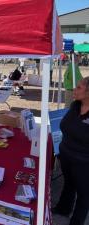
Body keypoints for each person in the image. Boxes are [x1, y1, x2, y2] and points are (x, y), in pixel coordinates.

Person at [52, 77, 89, 225]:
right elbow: (65, 126)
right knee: (69, 184)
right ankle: (63, 208)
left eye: (79, 88)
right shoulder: (75, 106)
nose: (74, 89)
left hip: (84, 162)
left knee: (84, 193)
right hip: (66, 155)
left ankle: (77, 221)